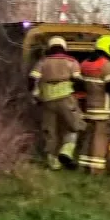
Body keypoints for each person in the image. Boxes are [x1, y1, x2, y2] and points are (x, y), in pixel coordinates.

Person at [28, 36, 84, 169]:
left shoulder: (42, 61)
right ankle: (66, 152)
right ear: (64, 47)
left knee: (50, 131)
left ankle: (53, 162)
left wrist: (35, 94)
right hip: (66, 100)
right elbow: (78, 81)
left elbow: (31, 79)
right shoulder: (71, 61)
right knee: (74, 126)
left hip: (47, 100)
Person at [75, 35, 110, 175]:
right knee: (100, 139)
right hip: (104, 109)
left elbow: (80, 86)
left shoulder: (85, 64)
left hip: (89, 108)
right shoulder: (108, 66)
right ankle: (97, 170)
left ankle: (83, 165)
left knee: (88, 138)